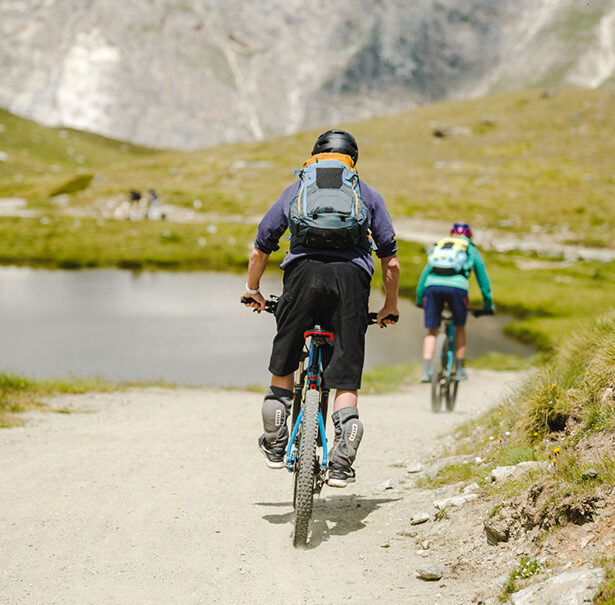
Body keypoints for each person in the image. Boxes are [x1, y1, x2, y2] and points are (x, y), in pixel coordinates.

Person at [242, 129, 400, 488]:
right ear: (352, 160)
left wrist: (253, 291)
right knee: (344, 377)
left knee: (283, 362)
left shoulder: (297, 188)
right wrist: (389, 306)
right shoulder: (366, 192)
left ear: (315, 155)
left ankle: (275, 442)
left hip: (302, 276)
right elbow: (390, 263)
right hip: (351, 282)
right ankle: (342, 459)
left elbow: (260, 248)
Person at [416, 221, 494, 383]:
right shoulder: (470, 249)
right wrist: (488, 305)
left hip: (433, 287)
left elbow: (425, 273)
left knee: (432, 331)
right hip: (457, 289)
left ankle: (425, 372)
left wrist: (419, 298)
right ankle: (459, 370)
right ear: (470, 236)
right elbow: (483, 281)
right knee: (459, 327)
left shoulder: (443, 246)